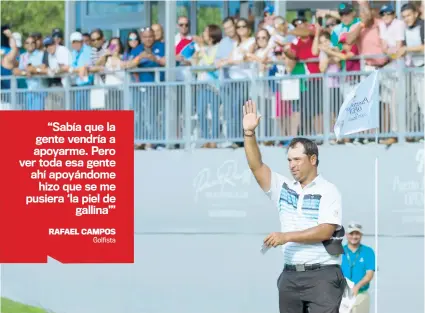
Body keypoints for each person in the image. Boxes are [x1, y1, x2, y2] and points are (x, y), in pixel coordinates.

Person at [242, 99, 346, 313]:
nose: (292, 165)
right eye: (289, 160)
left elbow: (326, 230)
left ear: (313, 159)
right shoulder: (283, 187)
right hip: (290, 277)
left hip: (322, 277)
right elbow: (256, 166)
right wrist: (249, 134)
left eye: (297, 159)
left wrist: (285, 237)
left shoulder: (328, 190)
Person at [341, 222, 375, 313]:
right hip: (343, 295)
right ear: (347, 235)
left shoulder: (368, 251)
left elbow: (369, 275)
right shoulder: (340, 251)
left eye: (357, 234)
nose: (354, 237)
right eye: (351, 233)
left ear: (361, 235)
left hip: (360, 294)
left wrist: (357, 287)